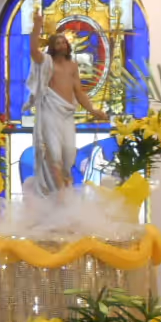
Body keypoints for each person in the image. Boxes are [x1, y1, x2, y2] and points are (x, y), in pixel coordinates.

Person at [29, 12, 108, 196]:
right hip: (50, 111)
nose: (61, 45)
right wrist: (37, 26)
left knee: (68, 154)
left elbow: (79, 92)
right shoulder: (46, 61)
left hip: (66, 114)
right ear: (52, 47)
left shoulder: (72, 66)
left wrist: (92, 110)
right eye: (57, 43)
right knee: (54, 154)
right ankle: (62, 196)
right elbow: (33, 51)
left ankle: (63, 186)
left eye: (63, 42)